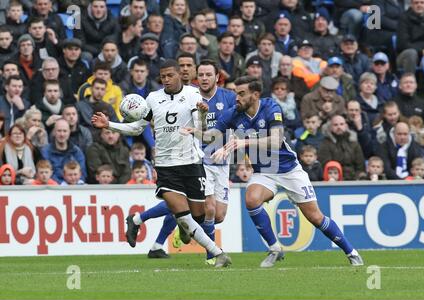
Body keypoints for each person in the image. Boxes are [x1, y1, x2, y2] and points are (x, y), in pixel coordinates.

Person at [198, 75, 363, 267]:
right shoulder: (233, 113)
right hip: (264, 171)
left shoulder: (270, 107)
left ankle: (351, 251)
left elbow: (276, 140)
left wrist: (244, 142)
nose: (237, 98)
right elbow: (210, 137)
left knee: (315, 217)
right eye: (235, 93)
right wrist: (202, 117)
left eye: (241, 93)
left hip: (288, 169)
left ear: (255, 94)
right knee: (251, 199)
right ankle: (275, 248)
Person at [91, 59, 232, 268]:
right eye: (162, 76)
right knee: (183, 215)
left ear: (179, 75)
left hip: (192, 163)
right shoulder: (153, 98)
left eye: (170, 75)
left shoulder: (193, 95)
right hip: (166, 166)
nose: (165, 80)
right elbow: (138, 127)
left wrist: (202, 114)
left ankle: (160, 223)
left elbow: (200, 128)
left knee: (199, 216)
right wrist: (109, 125)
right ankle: (217, 253)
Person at [318, 114, 366, 180]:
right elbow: (325, 166)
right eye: (335, 125)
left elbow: (360, 166)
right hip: (334, 181)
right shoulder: (325, 143)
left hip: (354, 180)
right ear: (331, 127)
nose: (339, 127)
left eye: (341, 124)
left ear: (346, 126)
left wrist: (357, 178)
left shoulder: (354, 142)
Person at [40, 118, 86, 183]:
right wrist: (62, 185)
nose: (62, 134)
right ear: (54, 132)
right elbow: (46, 174)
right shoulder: (45, 151)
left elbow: (82, 173)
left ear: (69, 132)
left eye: (65, 131)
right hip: (54, 188)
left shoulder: (77, 151)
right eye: (59, 131)